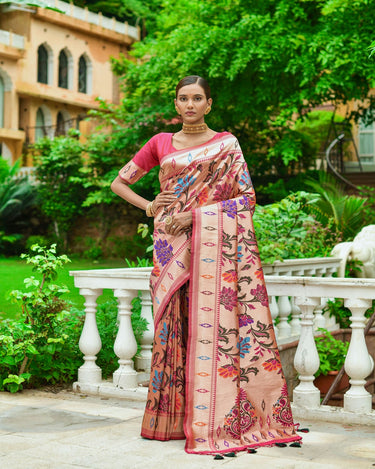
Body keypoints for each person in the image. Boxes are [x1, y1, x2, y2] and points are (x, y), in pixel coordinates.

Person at [111, 75, 302, 455]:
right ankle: (173, 420)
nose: (190, 105)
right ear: (176, 103)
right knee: (172, 329)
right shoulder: (160, 143)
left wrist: (196, 217)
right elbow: (120, 183)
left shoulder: (227, 145)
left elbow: (246, 198)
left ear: (209, 104)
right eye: (183, 98)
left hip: (211, 247)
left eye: (197, 98)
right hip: (169, 248)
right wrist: (149, 206)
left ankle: (218, 417)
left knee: (213, 329)